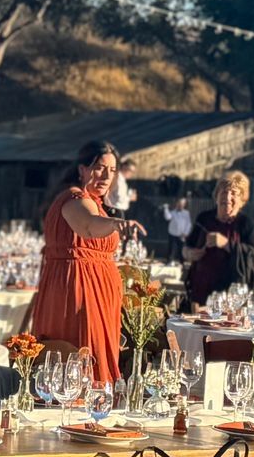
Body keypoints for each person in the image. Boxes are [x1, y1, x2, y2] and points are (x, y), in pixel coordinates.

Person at [32, 140, 144, 384]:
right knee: (79, 358)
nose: (106, 176)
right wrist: (116, 224)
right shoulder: (74, 199)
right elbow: (89, 226)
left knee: (91, 360)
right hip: (79, 293)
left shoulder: (95, 202)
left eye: (112, 170)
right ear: (82, 169)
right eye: (99, 168)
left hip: (98, 294)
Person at [184, 170, 254, 309]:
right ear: (216, 196)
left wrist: (226, 244)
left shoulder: (247, 224)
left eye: (234, 193)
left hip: (230, 298)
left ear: (242, 201)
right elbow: (186, 247)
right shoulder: (204, 218)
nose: (228, 197)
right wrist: (190, 254)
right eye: (224, 192)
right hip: (200, 292)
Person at [161, 196, 193, 262]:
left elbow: (188, 224)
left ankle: (182, 262)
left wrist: (185, 233)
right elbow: (168, 217)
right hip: (172, 233)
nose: (180, 205)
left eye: (182, 204)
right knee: (171, 248)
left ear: (184, 205)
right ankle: (169, 261)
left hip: (181, 234)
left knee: (181, 249)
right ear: (177, 203)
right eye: (179, 203)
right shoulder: (173, 212)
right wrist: (166, 209)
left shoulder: (186, 213)